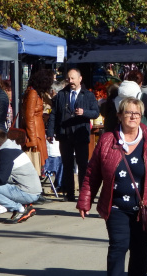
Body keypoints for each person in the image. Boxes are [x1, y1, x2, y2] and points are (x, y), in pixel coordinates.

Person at [77, 98, 147, 276]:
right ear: (119, 115)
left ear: (141, 116)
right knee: (118, 246)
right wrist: (85, 200)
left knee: (140, 249)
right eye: (128, 112)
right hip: (116, 207)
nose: (133, 116)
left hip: (144, 207)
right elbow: (93, 172)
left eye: (136, 113)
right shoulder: (107, 140)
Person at [46, 68, 100, 202]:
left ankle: (83, 193)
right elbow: (54, 114)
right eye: (68, 79)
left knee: (82, 164)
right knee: (67, 164)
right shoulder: (61, 95)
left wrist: (84, 112)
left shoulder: (88, 95)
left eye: (73, 78)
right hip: (65, 134)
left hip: (80, 133)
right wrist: (50, 132)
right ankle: (69, 193)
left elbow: (96, 113)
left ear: (80, 79)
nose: (70, 81)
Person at [0, 129, 42, 223]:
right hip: (31, 190)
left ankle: (19, 208)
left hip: (28, 193)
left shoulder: (6, 153)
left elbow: (1, 179)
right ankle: (23, 205)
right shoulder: (12, 147)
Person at [21, 69, 54, 173]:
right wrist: (32, 139)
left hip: (37, 130)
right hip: (35, 132)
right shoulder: (33, 93)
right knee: (36, 163)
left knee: (37, 163)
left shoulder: (33, 92)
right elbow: (29, 117)